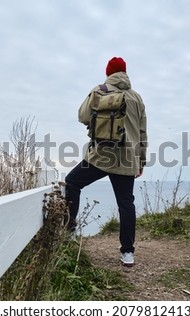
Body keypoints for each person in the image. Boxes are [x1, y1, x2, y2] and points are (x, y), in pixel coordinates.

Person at [65, 57, 148, 266]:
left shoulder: (99, 90)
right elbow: (142, 132)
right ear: (125, 73)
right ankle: (127, 253)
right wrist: (141, 161)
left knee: (72, 182)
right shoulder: (136, 98)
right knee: (126, 204)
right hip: (128, 158)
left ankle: (69, 231)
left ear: (108, 72)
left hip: (101, 156)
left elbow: (82, 116)